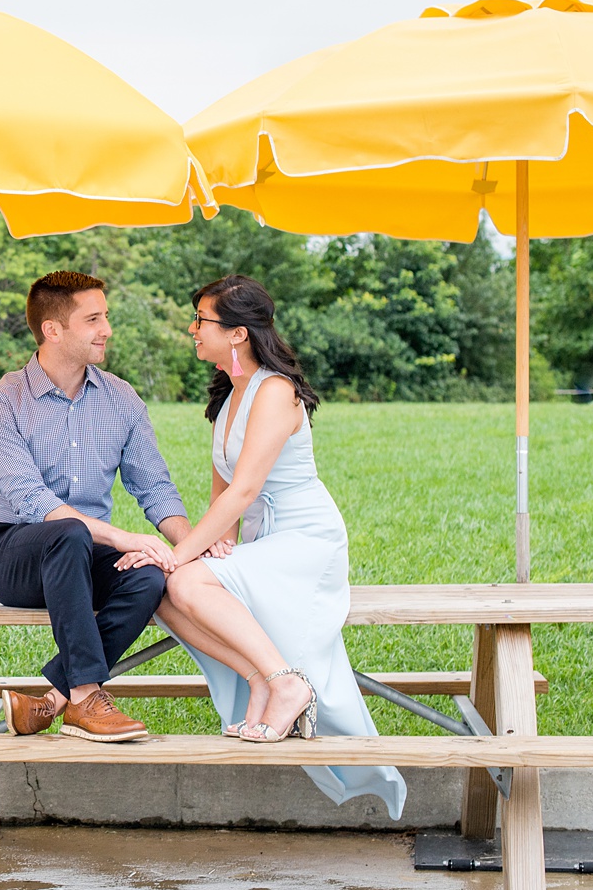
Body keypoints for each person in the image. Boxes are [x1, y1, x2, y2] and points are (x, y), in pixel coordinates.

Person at [120, 274, 405, 817]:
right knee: (159, 587)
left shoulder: (275, 390)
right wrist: (212, 549)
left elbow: (248, 488)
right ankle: (262, 679)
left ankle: (286, 685)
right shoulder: (228, 398)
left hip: (305, 541)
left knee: (178, 575)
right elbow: (222, 499)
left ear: (237, 334)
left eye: (201, 320)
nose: (192, 329)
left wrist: (178, 555)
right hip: (263, 541)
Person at [0, 270, 192, 743]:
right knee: (68, 532)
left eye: (105, 316)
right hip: (16, 555)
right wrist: (122, 537)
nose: (106, 329)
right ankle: (88, 696)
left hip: (85, 553)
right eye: (93, 319)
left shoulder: (121, 398)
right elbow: (33, 500)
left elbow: (153, 485)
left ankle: (51, 703)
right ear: (53, 329)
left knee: (148, 577)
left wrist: (188, 548)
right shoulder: (0, 403)